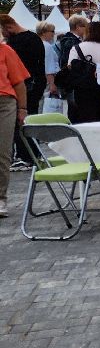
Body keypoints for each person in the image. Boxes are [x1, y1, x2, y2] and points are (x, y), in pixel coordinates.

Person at [0, 14, 44, 169]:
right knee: (30, 120)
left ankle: (25, 156)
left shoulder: (12, 45)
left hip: (21, 87)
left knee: (20, 123)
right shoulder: (34, 38)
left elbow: (17, 75)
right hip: (35, 85)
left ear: (8, 27)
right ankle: (34, 154)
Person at [0, 31, 30, 217]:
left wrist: (22, 109)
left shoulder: (5, 51)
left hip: (4, 102)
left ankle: (0, 197)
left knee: (2, 151)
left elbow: (19, 83)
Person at [67, 20, 100, 124]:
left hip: (83, 89)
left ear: (87, 32)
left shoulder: (77, 48)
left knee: (83, 121)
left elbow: (70, 67)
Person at [37, 22, 60, 104]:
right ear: (44, 32)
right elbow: (49, 67)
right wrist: (52, 84)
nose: (54, 34)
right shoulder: (47, 46)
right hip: (47, 81)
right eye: (52, 31)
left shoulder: (37, 44)